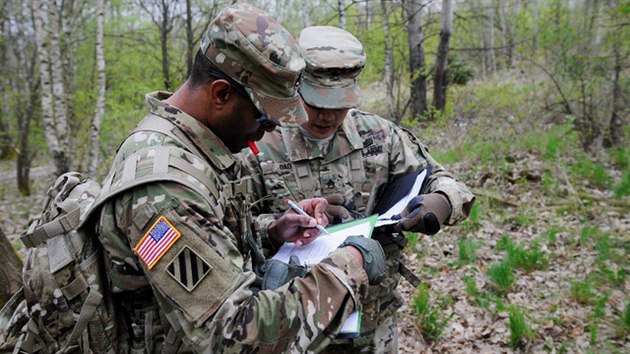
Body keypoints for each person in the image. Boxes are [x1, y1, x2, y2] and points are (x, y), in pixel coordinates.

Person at [97, 6, 386, 353]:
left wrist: (270, 232)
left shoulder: (191, 149)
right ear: (221, 94)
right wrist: (348, 266)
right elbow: (233, 336)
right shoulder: (164, 190)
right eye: (264, 118)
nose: (269, 131)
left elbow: (209, 240)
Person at [244, 26, 476, 353]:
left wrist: (437, 203)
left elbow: (446, 182)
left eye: (338, 104)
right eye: (316, 103)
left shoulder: (380, 136)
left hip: (371, 321)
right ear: (296, 88)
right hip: (293, 326)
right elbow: (230, 227)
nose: (326, 115)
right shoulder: (258, 144)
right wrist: (273, 228)